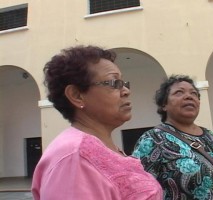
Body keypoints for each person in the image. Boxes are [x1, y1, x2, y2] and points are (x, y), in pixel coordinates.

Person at [31, 45, 163, 200]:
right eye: (114, 83)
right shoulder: (75, 158)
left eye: (124, 83)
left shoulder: (96, 148)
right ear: (77, 95)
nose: (126, 91)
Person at [132, 75, 213, 200]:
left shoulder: (209, 136)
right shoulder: (153, 139)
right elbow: (138, 191)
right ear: (164, 105)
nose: (189, 96)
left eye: (194, 93)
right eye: (179, 92)